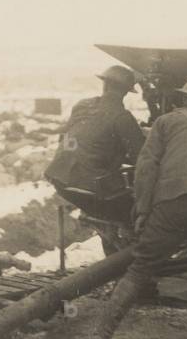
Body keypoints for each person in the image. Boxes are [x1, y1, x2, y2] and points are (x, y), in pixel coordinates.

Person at [77, 77, 187, 339]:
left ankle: (99, 336)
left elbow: (146, 169)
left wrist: (143, 210)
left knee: (140, 268)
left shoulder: (166, 122)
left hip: (171, 202)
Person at [44, 64, 145, 223]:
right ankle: (121, 232)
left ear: (105, 84)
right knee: (137, 214)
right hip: (91, 187)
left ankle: (100, 224)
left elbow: (71, 137)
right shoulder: (123, 118)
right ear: (126, 91)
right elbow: (142, 159)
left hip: (59, 177)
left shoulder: (82, 105)